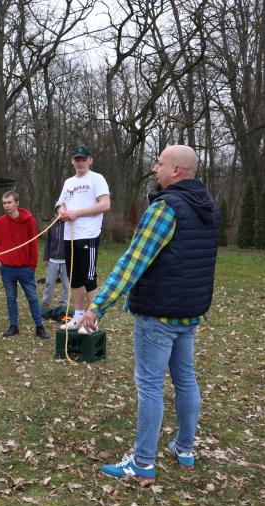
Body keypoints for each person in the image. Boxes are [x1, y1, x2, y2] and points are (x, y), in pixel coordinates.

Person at [80, 145, 218, 481]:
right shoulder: (207, 206)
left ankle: (142, 463)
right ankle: (184, 449)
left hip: (159, 314)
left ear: (176, 171)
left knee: (151, 385)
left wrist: (98, 305)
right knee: (185, 378)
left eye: (159, 164)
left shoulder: (167, 208)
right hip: (189, 311)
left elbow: (132, 262)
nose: (154, 169)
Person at [56, 145, 111, 332]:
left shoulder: (97, 179)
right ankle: (78, 316)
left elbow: (105, 204)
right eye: (77, 159)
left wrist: (77, 213)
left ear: (90, 160)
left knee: (89, 279)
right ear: (72, 161)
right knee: (74, 279)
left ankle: (92, 319)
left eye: (83, 159)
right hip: (69, 236)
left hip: (88, 235)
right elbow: (60, 203)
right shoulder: (68, 182)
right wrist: (61, 211)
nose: (80, 163)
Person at [0, 191, 50, 340]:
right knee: (11, 298)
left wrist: (32, 265)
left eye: (9, 202)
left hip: (25, 268)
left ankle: (39, 327)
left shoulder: (29, 220)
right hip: (6, 268)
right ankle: (13, 326)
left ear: (17, 203)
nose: (6, 206)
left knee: (32, 297)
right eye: (4, 203)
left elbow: (34, 243)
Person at [41, 217, 69, 311]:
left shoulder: (71, 224)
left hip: (66, 261)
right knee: (49, 282)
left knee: (66, 284)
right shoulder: (52, 225)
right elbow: (48, 242)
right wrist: (46, 257)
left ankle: (64, 305)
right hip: (53, 259)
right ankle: (46, 303)